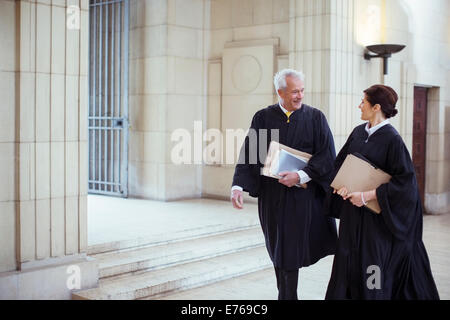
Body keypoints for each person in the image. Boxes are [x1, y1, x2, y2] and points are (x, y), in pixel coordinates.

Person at [231, 69, 338, 300]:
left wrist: (301, 175)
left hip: (302, 199)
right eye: (294, 92)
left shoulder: (315, 118)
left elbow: (327, 155)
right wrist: (238, 186)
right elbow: (251, 152)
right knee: (278, 249)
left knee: (288, 251)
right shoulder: (263, 117)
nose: (300, 96)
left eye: (302, 90)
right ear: (279, 92)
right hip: (272, 198)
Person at [325, 84, 440, 300]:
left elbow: (405, 184)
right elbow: (340, 164)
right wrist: (340, 186)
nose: (359, 105)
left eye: (363, 102)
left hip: (375, 224)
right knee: (346, 266)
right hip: (351, 220)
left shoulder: (392, 140)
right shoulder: (358, 133)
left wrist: (366, 196)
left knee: (372, 270)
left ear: (376, 107)